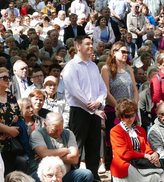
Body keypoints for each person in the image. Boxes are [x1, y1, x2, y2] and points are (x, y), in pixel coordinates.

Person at [62, 36, 107, 181]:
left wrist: (98, 102)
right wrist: (92, 107)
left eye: (92, 43)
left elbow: (103, 88)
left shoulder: (93, 66)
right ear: (78, 47)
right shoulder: (71, 66)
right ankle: (77, 178)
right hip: (79, 112)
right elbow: (75, 92)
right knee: (78, 149)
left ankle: (93, 178)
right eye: (87, 44)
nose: (91, 46)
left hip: (94, 111)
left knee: (94, 148)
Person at [110, 98, 164, 182]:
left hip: (141, 163)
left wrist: (154, 155)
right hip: (126, 164)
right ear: (120, 116)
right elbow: (124, 154)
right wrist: (145, 156)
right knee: (154, 177)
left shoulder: (140, 130)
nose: (131, 118)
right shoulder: (116, 131)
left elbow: (146, 148)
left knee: (161, 173)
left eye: (133, 115)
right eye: (127, 116)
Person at [29, 112, 93, 182]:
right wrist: (65, 150)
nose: (58, 133)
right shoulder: (37, 134)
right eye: (55, 130)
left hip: (64, 174)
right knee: (36, 178)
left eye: (61, 129)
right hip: (44, 175)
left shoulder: (68, 134)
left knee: (87, 174)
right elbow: (44, 153)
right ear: (45, 125)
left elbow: (75, 158)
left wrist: (47, 157)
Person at [101, 41, 138, 149]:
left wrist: (134, 106)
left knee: (130, 142)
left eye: (127, 52)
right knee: (117, 144)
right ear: (114, 52)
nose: (125, 54)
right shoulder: (106, 69)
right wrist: (120, 109)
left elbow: (135, 90)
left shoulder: (129, 68)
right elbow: (106, 92)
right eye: (123, 52)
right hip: (115, 111)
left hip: (130, 112)